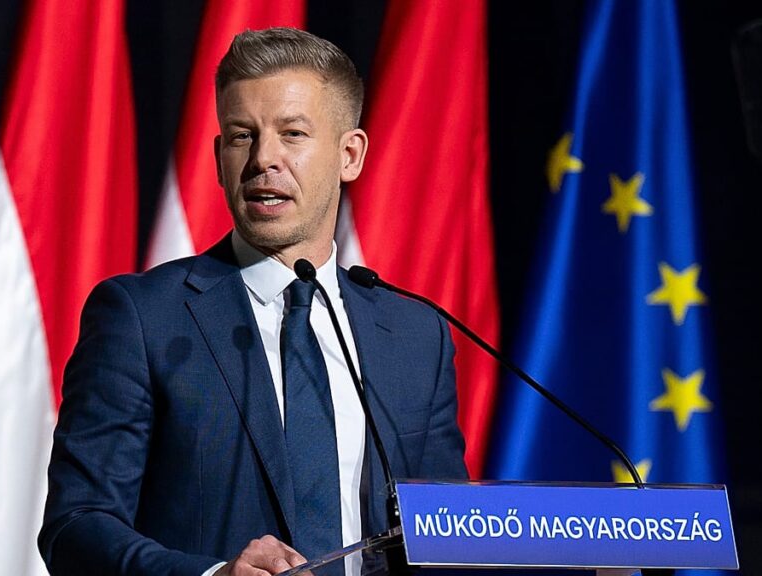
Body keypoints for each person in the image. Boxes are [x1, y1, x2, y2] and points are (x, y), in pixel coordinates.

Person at [38, 27, 468, 576]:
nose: (264, 158)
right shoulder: (142, 318)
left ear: (350, 155)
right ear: (220, 158)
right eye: (242, 136)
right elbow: (76, 525)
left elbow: (451, 539)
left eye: (292, 134)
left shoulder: (415, 336)